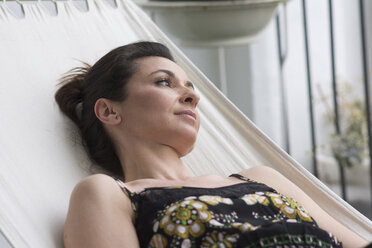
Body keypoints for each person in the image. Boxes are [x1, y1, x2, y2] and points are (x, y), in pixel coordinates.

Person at [55, 41, 368, 248]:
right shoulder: (111, 195)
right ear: (109, 111)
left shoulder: (260, 178)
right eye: (164, 82)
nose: (193, 96)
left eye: (190, 88)